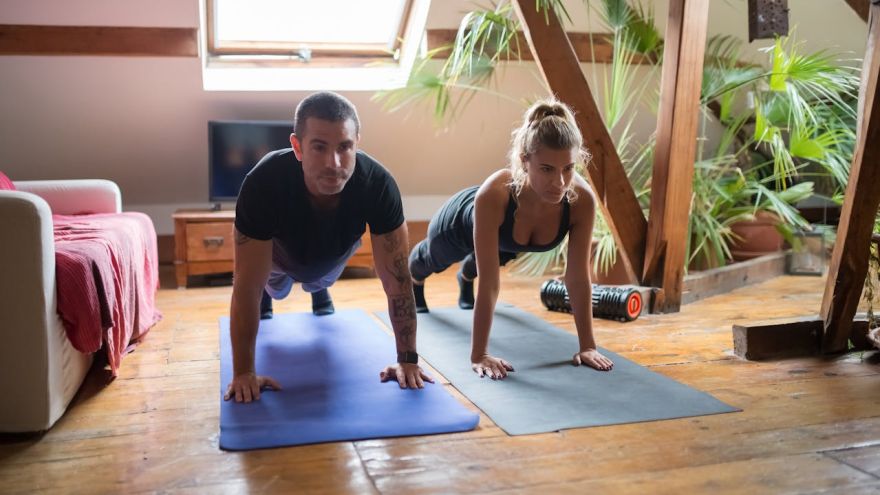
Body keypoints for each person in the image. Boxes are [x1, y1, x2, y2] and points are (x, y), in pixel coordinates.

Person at [225, 91, 433, 403]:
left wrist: (408, 360)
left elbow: (398, 281)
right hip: (277, 260)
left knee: (318, 279)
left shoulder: (378, 185)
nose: (333, 163)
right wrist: (243, 372)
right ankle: (273, 293)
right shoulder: (263, 182)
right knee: (272, 289)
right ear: (298, 147)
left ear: (357, 143)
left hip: (332, 257)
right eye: (319, 147)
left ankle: (317, 288)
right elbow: (245, 288)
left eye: (344, 147)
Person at [409, 98, 614, 379]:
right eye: (547, 169)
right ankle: (415, 278)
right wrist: (479, 354)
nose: (560, 182)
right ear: (525, 161)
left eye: (568, 168)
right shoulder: (494, 194)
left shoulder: (581, 200)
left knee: (492, 258)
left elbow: (577, 278)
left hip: (506, 239)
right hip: (460, 223)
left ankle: (466, 277)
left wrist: (588, 346)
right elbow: (490, 283)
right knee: (433, 260)